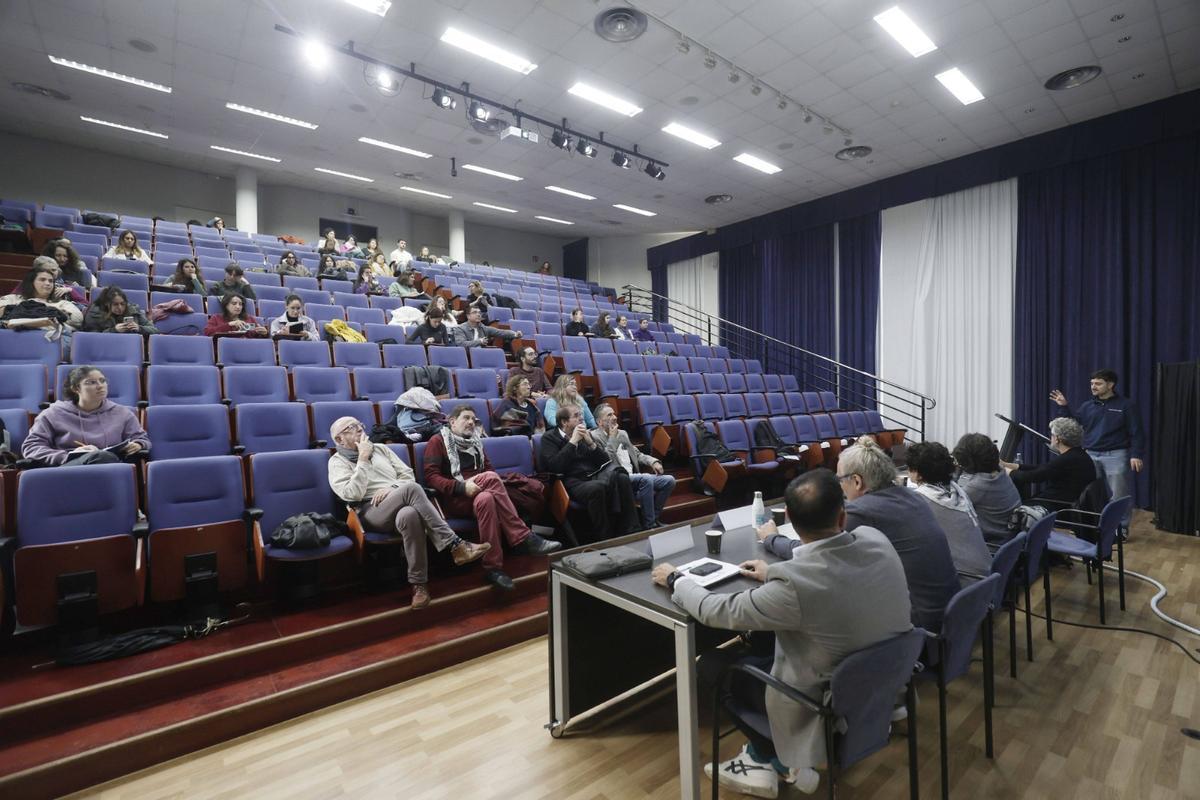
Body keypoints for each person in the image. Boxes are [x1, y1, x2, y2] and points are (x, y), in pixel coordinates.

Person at [653, 470, 912, 798]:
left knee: (712, 664)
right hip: (882, 688)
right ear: (843, 514)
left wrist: (677, 579)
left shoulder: (793, 588)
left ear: (788, 517)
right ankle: (770, 757)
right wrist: (774, 572)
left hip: (824, 706)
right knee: (767, 639)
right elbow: (828, 561)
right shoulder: (878, 541)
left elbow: (715, 611)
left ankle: (772, 756)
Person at [762, 435, 957, 633]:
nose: (839, 486)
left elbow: (814, 552)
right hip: (949, 612)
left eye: (840, 479)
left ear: (856, 481)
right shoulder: (913, 497)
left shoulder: (863, 512)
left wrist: (771, 538)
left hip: (916, 623)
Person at [326, 416, 490, 609]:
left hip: (399, 499)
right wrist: (362, 459)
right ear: (339, 440)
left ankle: (419, 585)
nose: (359, 429)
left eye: (359, 425)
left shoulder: (381, 449)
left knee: (409, 515)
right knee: (412, 489)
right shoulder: (337, 462)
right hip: (369, 511)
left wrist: (393, 487)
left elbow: (407, 475)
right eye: (350, 428)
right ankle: (455, 544)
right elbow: (351, 494)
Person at [423, 405, 561, 590]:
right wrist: (461, 487)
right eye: (466, 418)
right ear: (452, 421)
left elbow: (488, 469)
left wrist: (482, 483)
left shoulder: (476, 442)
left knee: (487, 498)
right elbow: (431, 477)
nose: (471, 422)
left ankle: (493, 568)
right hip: (455, 498)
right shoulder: (438, 441)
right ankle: (521, 536)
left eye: (474, 419)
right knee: (491, 478)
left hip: (480, 494)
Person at [1051, 369, 1143, 526]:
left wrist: (1136, 454)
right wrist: (1064, 407)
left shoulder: (1126, 405)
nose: (1093, 386)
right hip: (1090, 454)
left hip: (1116, 455)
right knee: (1090, 492)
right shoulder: (1087, 406)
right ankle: (1092, 524)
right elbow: (1073, 424)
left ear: (1111, 385)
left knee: (1119, 494)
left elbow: (1136, 432)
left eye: (1098, 383)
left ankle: (1121, 528)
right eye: (1092, 383)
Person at [539, 402, 639, 542]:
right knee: (597, 488)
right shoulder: (549, 438)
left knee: (621, 477)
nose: (581, 418)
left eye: (581, 415)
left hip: (594, 475)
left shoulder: (585, 434)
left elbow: (605, 461)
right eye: (576, 416)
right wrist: (572, 442)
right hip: (571, 481)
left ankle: (631, 530)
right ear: (564, 422)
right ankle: (605, 538)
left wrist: (591, 444)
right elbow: (555, 466)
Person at [22, 365, 151, 466]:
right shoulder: (53, 414)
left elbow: (141, 438)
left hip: (112, 466)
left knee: (103, 458)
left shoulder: (122, 413)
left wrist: (138, 444)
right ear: (76, 388)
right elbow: (31, 447)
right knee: (100, 457)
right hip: (68, 467)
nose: (100, 386)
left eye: (102, 381)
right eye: (91, 382)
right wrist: (67, 456)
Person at [905, 441, 992, 579]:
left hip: (966, 580)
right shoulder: (956, 490)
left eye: (909, 468)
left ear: (919, 474)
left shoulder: (920, 501)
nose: (907, 471)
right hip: (985, 574)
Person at [592, 403, 675, 530]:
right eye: (609, 415)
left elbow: (637, 454)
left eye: (614, 414)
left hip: (635, 477)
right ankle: (650, 525)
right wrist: (613, 438)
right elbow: (607, 460)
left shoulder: (623, 434)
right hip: (618, 480)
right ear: (599, 422)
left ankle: (652, 518)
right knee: (646, 478)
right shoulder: (595, 437)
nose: (614, 417)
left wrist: (653, 461)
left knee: (669, 481)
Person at [1002, 417, 1097, 507]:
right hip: (1065, 502)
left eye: (1052, 435)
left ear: (1057, 439)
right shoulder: (1078, 454)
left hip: (1058, 506)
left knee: (1014, 507)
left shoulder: (1067, 459)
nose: (1050, 437)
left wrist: (1006, 471)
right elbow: (1043, 468)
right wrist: (1010, 465)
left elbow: (1032, 477)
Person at [953, 433, 1022, 546]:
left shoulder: (978, 486)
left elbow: (949, 505)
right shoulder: (1001, 473)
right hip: (1011, 539)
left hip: (993, 544)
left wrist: (956, 473)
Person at [0, 259, 83, 353]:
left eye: (51, 281)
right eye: (42, 280)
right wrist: (47, 313)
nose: (47, 283)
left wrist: (23, 312)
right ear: (31, 282)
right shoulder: (13, 298)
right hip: (13, 338)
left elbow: (77, 319)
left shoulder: (63, 303)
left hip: (49, 341)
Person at [83, 286, 158, 335]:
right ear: (106, 303)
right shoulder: (95, 313)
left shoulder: (133, 310)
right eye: (115, 304)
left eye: (122, 304)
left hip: (129, 347)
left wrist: (139, 328)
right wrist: (114, 330)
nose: (120, 308)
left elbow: (154, 330)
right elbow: (91, 337)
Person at [452, 306, 519, 348]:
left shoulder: (483, 328)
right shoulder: (460, 328)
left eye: (479, 312)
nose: (478, 314)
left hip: (481, 355)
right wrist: (479, 341)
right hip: (466, 355)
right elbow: (461, 344)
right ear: (468, 316)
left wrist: (514, 334)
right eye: (475, 312)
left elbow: (501, 332)